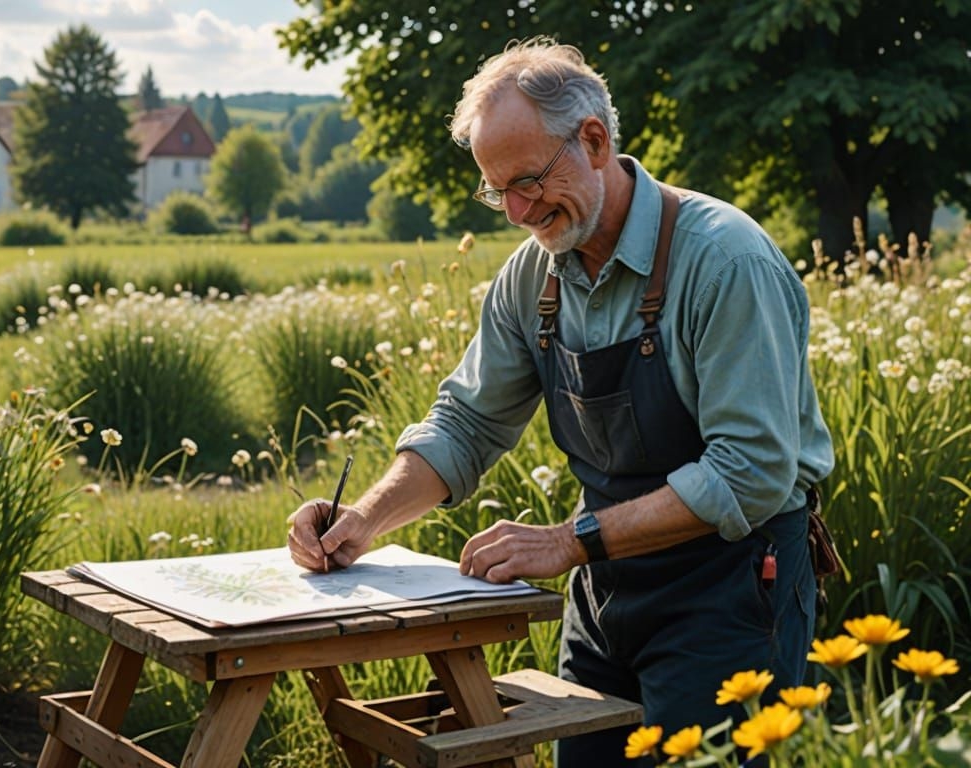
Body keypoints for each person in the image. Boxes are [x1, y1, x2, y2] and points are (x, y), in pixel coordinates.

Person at [287, 37, 834, 766]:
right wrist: (366, 517)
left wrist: (563, 543)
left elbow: (751, 473)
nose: (515, 211)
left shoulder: (723, 260)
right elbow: (467, 422)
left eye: (528, 180)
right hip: (607, 596)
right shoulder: (532, 277)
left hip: (732, 591)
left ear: (595, 140)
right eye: (496, 190)